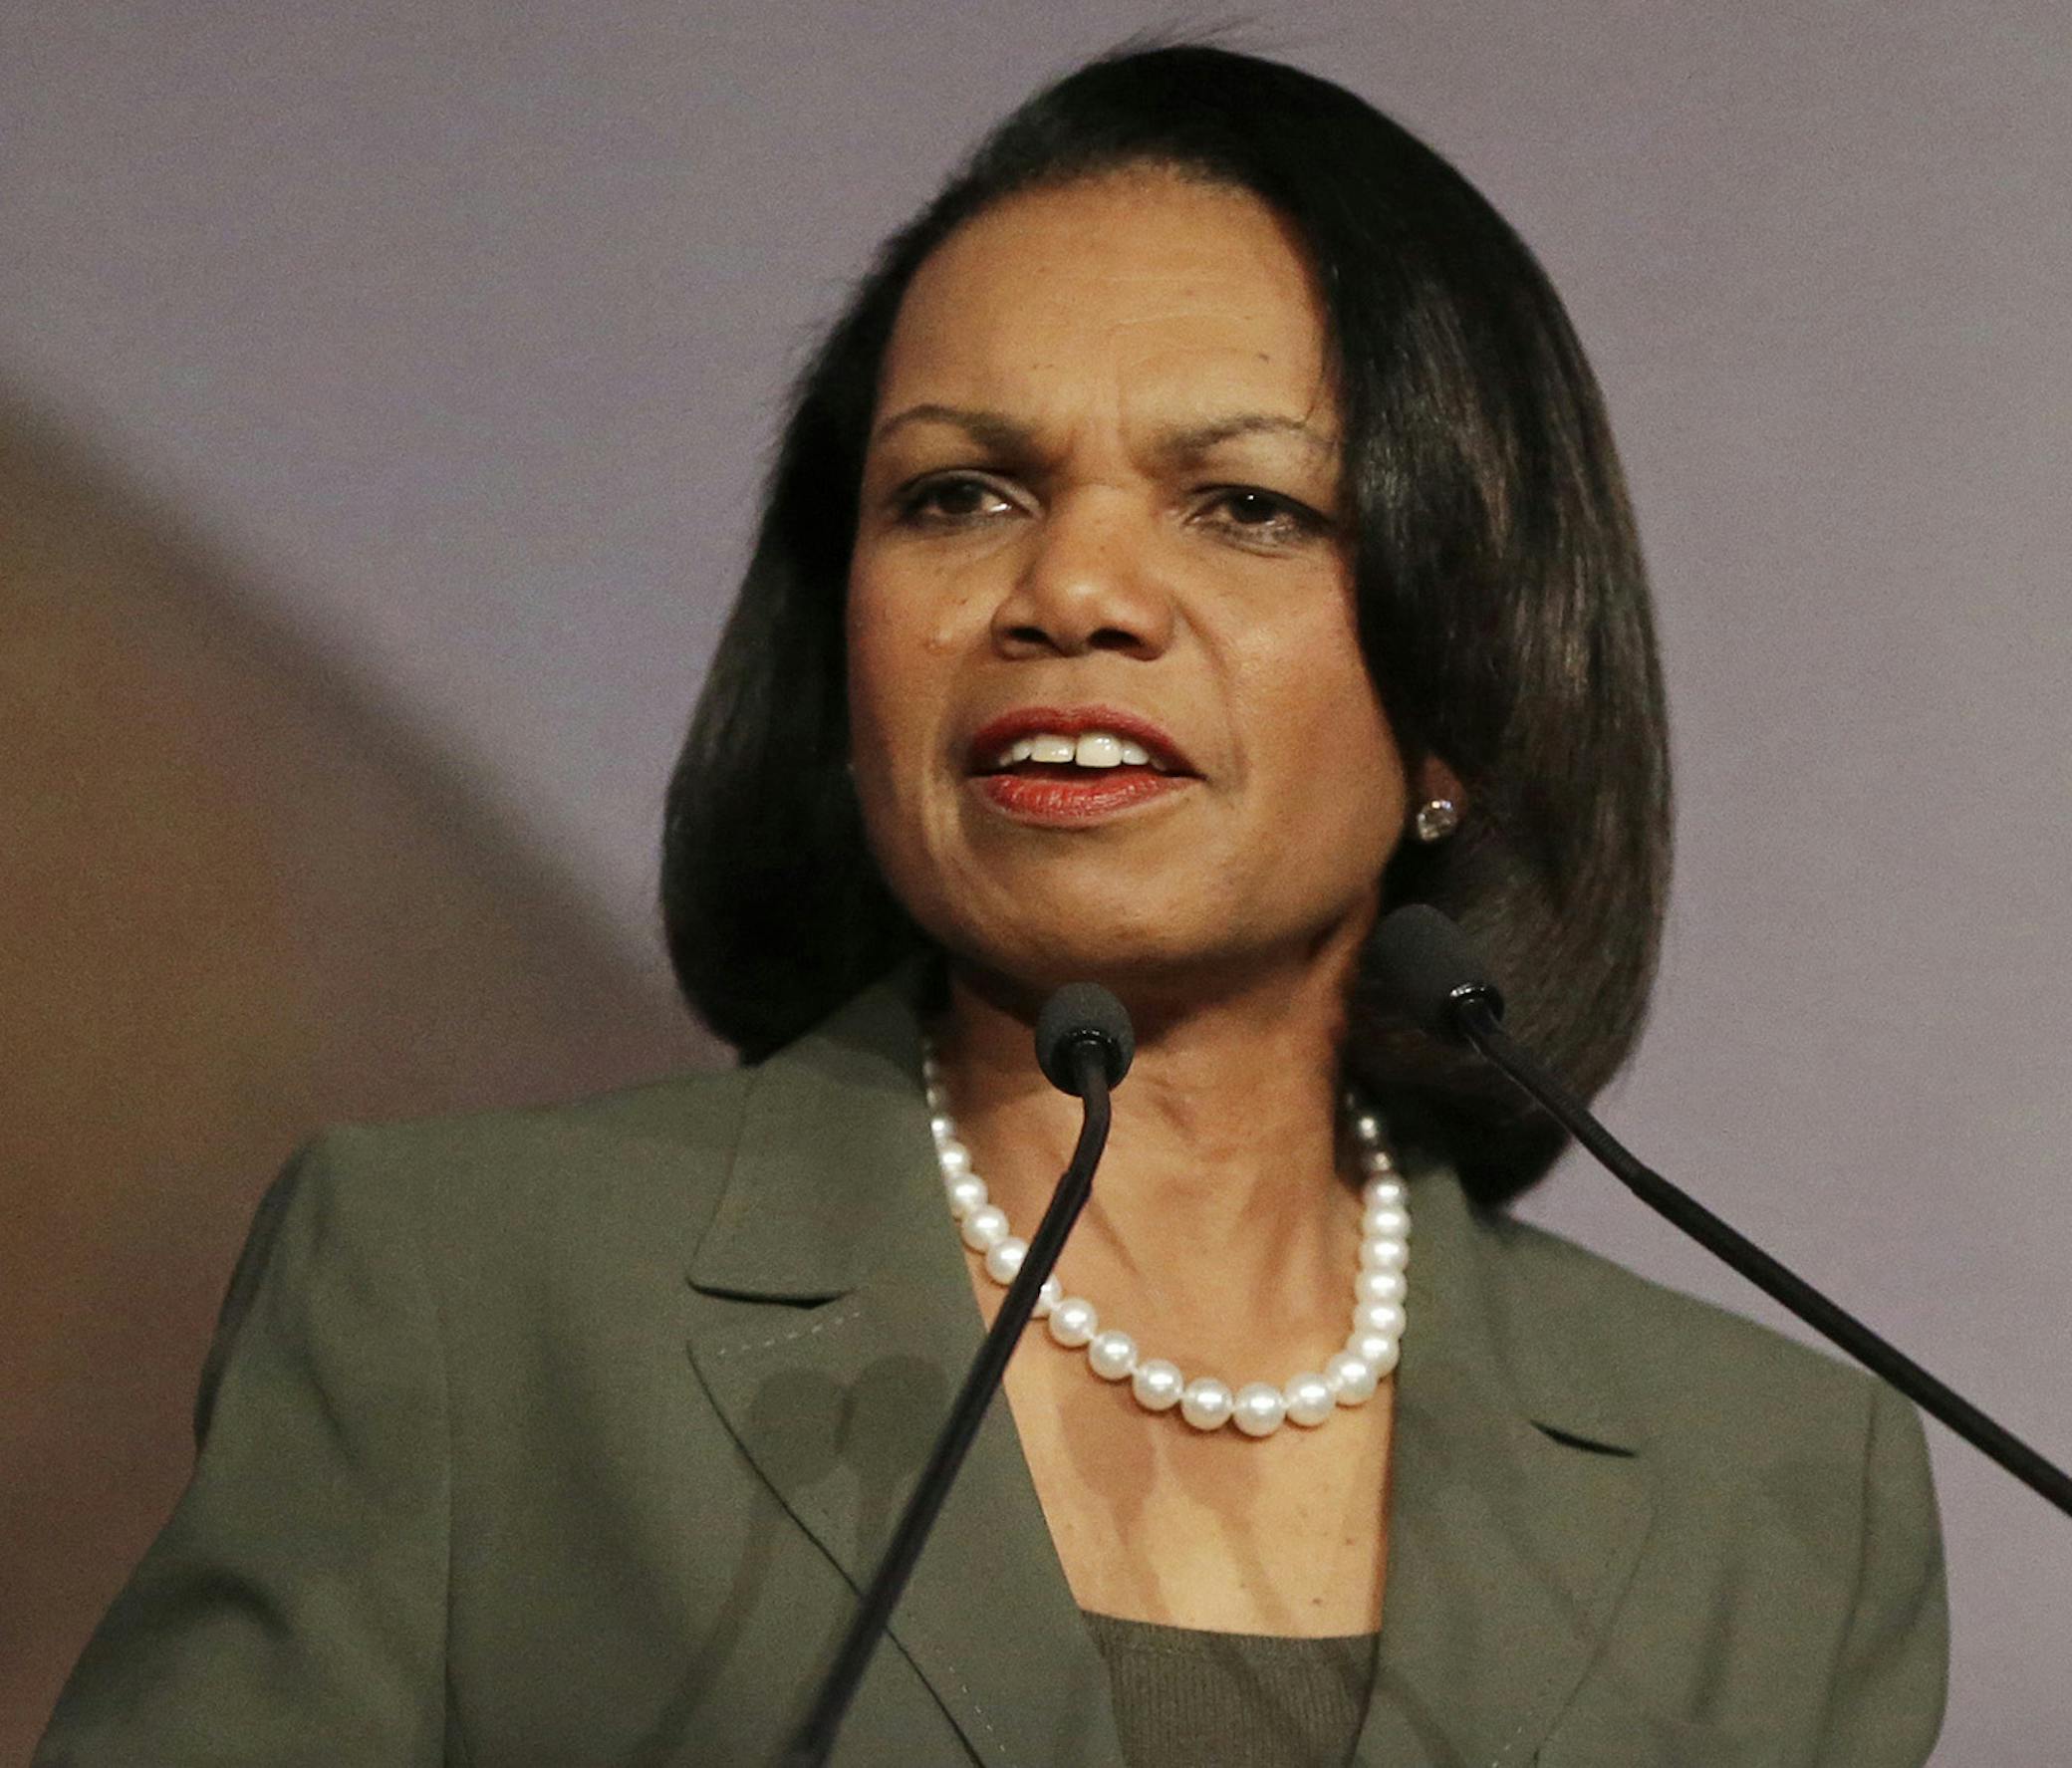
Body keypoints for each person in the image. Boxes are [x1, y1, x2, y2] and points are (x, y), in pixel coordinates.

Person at [38, 43, 1946, 1768]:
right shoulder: (467, 1302)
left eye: (1246, 506)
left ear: (1464, 684)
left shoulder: (1771, 1497)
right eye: (957, 496)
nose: (1074, 594)